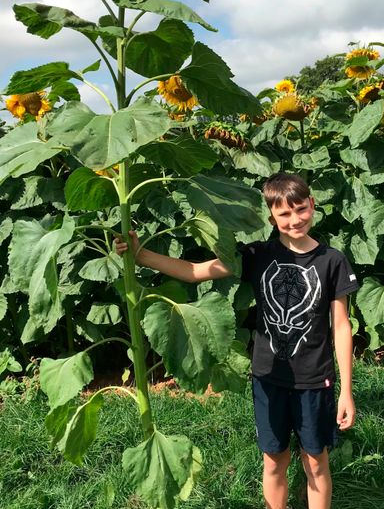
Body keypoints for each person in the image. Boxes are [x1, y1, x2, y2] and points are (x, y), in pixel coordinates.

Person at [115, 172, 359, 509]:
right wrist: (142, 255)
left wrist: (346, 390)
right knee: (274, 460)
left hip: (315, 379)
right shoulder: (257, 254)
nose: (294, 220)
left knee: (316, 461)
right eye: (284, 214)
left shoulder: (332, 261)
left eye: (301, 209)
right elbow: (195, 271)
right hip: (268, 377)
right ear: (271, 216)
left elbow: (341, 326)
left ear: (312, 205)